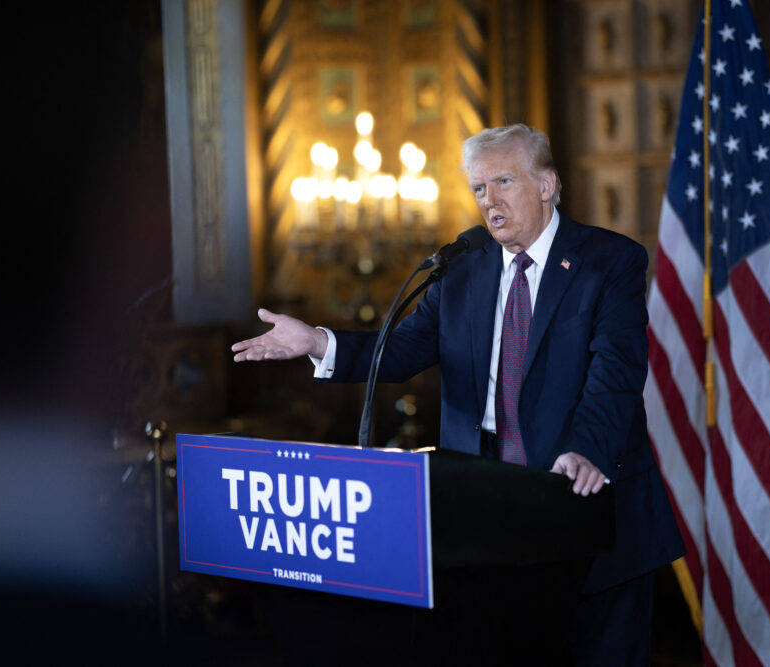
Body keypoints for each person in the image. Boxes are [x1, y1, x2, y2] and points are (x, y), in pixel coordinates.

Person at [232, 124, 685, 665]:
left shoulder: (609, 261)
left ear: (546, 185)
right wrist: (315, 340)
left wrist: (586, 447)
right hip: (485, 516)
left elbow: (617, 371)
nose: (488, 201)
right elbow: (399, 350)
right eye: (477, 188)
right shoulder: (461, 268)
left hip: (588, 508)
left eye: (502, 182)